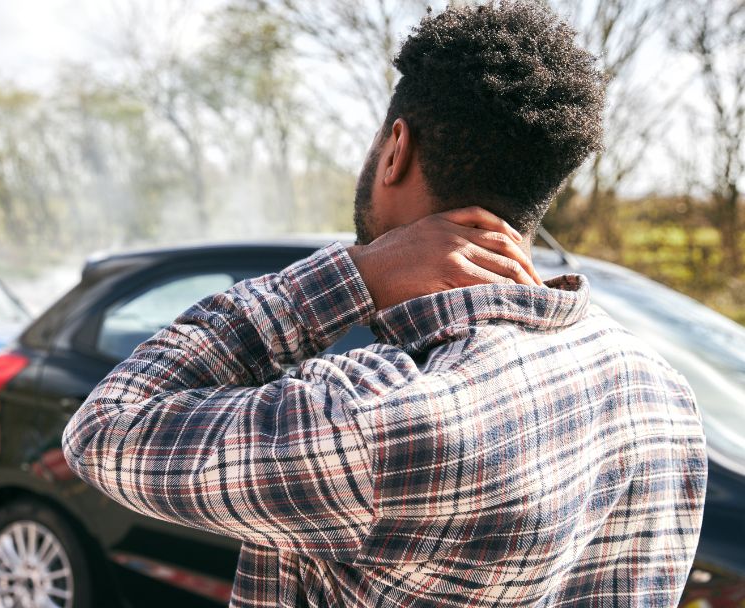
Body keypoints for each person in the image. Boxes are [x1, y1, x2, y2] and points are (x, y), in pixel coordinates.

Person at [62, 2, 707, 606]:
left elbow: (106, 428)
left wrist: (357, 274)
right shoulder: (662, 396)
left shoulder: (376, 419)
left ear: (396, 149)